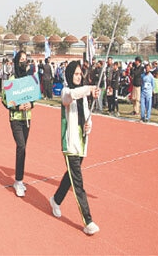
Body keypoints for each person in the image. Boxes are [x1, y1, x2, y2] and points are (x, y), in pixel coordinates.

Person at [49, 60, 101, 236]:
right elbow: (71, 95)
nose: (78, 77)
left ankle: (56, 200)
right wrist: (89, 88)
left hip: (82, 142)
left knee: (70, 176)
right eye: (76, 74)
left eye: (80, 74)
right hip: (70, 144)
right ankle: (88, 221)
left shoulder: (84, 97)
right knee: (78, 182)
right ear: (70, 74)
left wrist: (88, 126)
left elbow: (87, 117)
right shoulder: (66, 92)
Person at [2, 51, 35, 197]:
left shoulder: (29, 79)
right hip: (15, 118)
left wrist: (30, 104)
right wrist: (17, 107)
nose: (24, 62)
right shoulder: (12, 79)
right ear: (16, 62)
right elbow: (5, 100)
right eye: (21, 60)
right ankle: (19, 180)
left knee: (23, 149)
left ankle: (18, 179)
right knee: (21, 146)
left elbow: (33, 97)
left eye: (25, 60)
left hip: (27, 118)